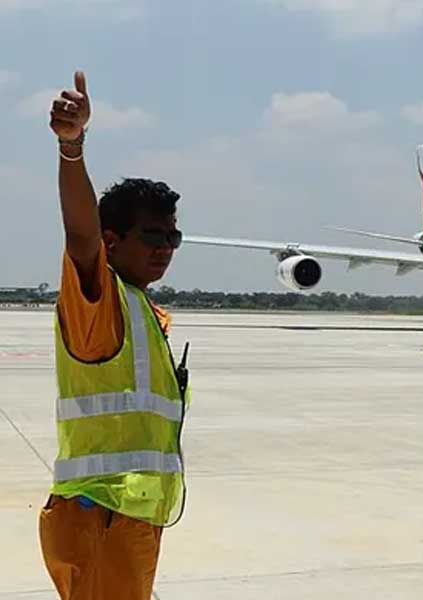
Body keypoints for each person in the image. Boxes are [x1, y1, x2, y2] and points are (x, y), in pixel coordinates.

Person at [39, 70, 190, 600]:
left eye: (173, 236)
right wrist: (72, 149)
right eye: (152, 235)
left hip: (129, 517)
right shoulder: (97, 302)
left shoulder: (144, 309)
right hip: (99, 514)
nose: (166, 247)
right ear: (112, 240)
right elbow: (79, 236)